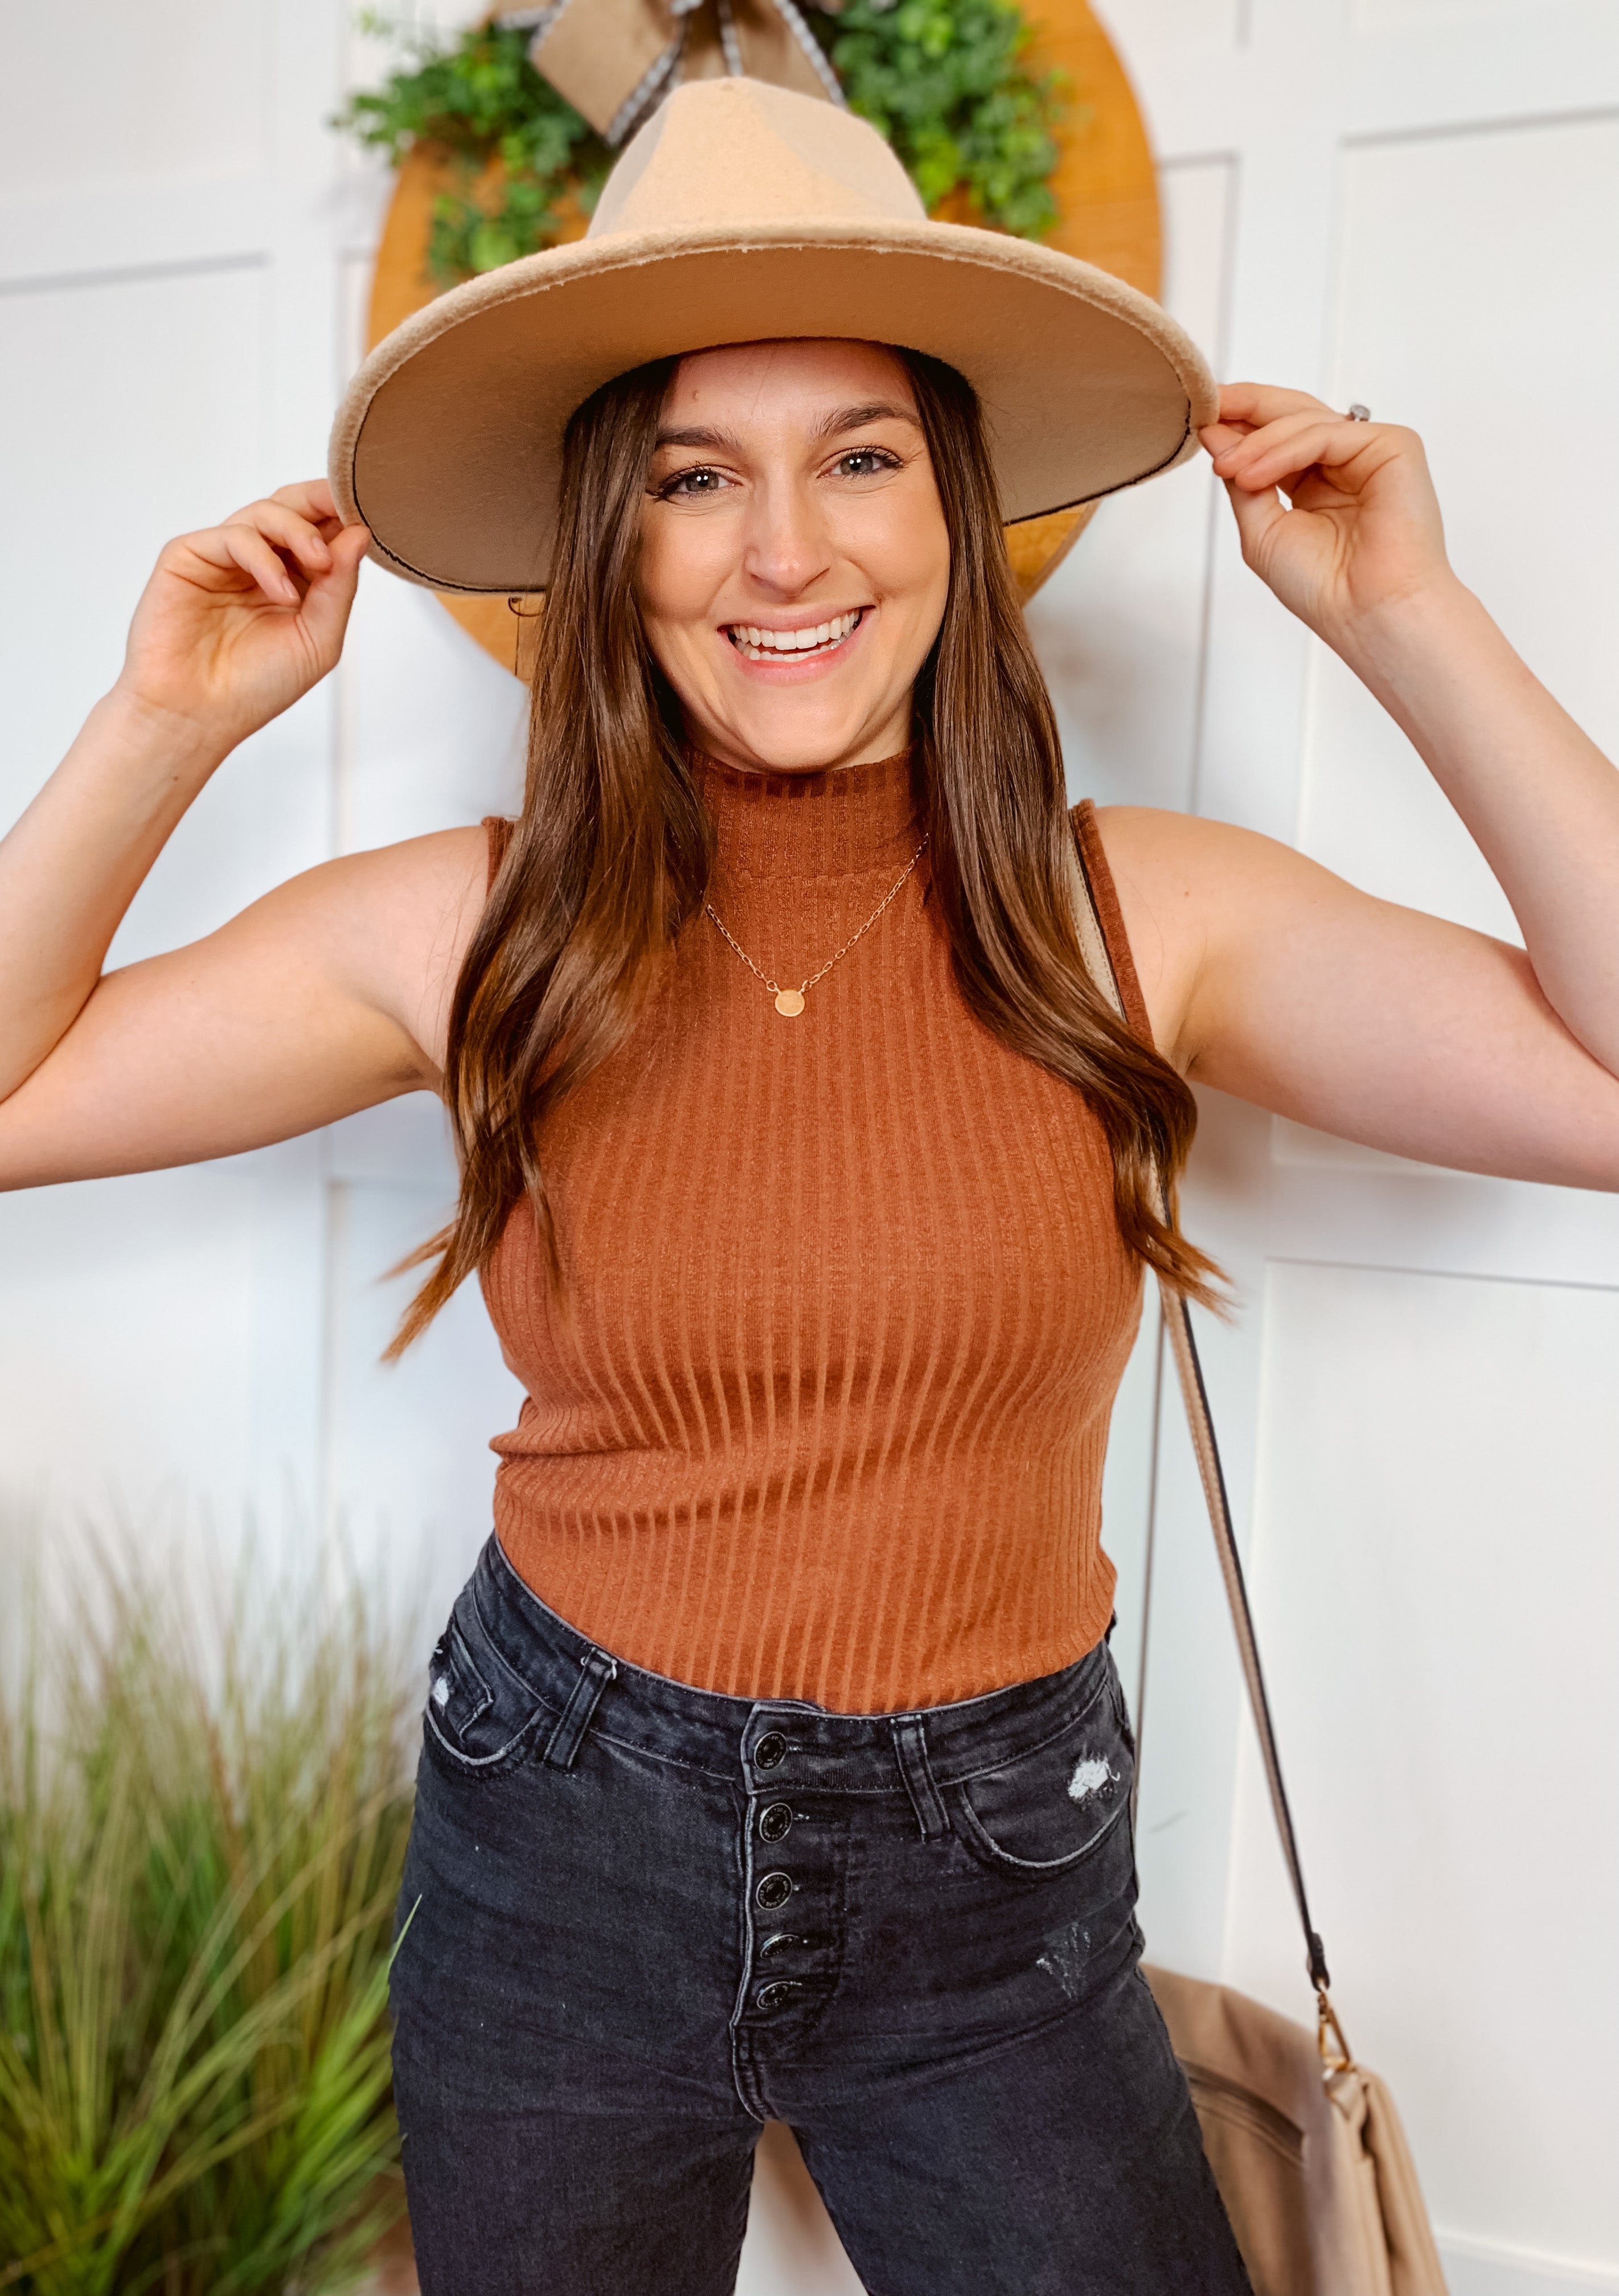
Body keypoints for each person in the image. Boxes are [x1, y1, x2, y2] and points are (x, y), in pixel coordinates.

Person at [3, 73, 1616, 2296]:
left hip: (1001, 1887)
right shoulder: (480, 927)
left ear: (953, 506)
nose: (785, 552)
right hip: (557, 1846)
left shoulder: (1133, 913)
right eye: (696, 478)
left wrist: (1409, 614)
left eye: (860, 457)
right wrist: (161, 723)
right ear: (612, 536)